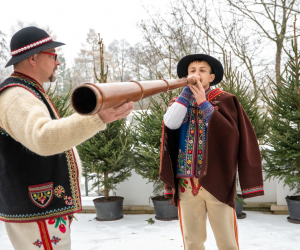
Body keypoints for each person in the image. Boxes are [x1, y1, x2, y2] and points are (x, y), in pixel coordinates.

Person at [0, 26, 134, 250]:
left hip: (41, 206)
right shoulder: (16, 95)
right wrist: (97, 119)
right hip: (37, 207)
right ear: (33, 58)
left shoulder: (28, 90)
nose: (58, 62)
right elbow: (43, 137)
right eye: (53, 55)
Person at [159, 54, 264, 250]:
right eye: (192, 71)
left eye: (202, 70)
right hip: (186, 182)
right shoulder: (178, 101)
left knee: (226, 241)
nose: (196, 74)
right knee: (192, 241)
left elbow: (231, 135)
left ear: (211, 77)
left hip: (217, 180)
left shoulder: (225, 100)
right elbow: (170, 124)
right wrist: (185, 96)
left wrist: (203, 102)